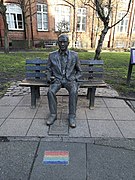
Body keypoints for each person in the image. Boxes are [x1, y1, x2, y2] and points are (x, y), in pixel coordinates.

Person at [46, 34, 82, 128]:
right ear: (57, 43)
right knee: (50, 91)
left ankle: (72, 116)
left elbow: (79, 71)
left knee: (74, 91)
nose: (62, 44)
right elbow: (48, 69)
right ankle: (53, 115)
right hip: (57, 79)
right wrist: (49, 76)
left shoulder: (74, 55)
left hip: (69, 80)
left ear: (68, 43)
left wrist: (74, 78)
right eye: (60, 42)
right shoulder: (52, 55)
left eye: (64, 42)